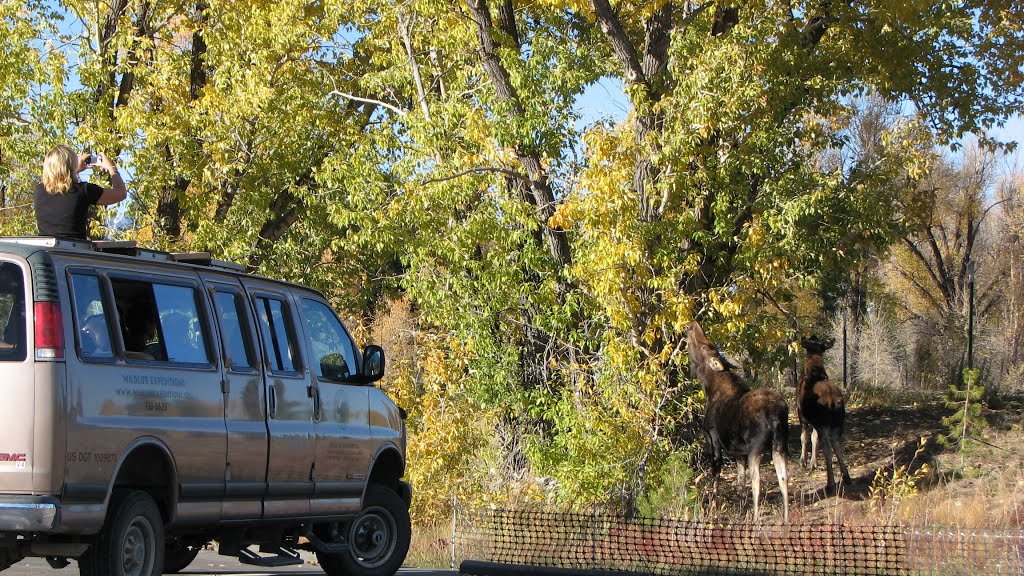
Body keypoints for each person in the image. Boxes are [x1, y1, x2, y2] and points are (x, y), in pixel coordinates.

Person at [34, 145, 127, 241]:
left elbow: (62, 186)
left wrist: (74, 170)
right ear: (71, 166)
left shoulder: (39, 191)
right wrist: (112, 168)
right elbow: (120, 193)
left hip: (47, 252)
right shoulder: (83, 190)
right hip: (75, 251)